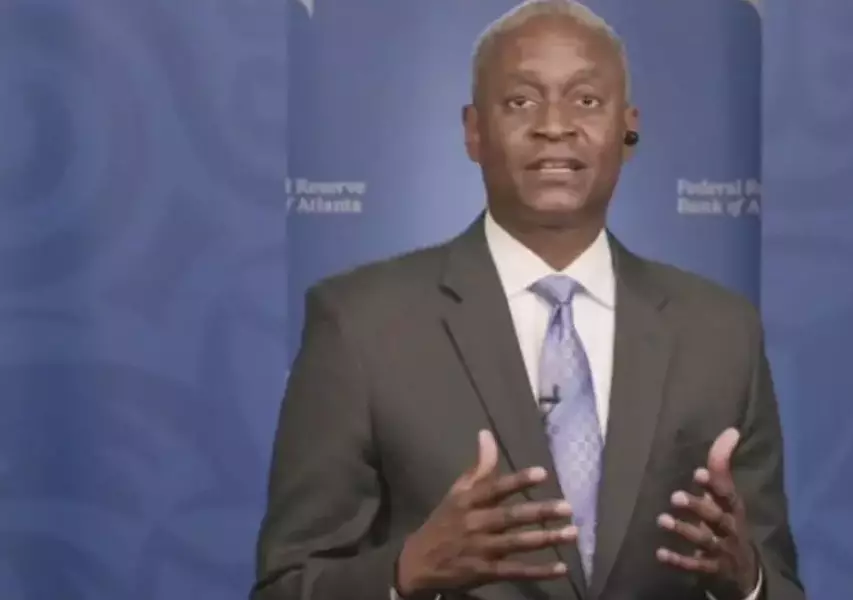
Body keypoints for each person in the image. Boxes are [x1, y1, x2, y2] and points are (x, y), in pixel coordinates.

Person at [251, 1, 804, 598]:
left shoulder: (722, 334)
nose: (554, 125)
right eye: (520, 101)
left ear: (629, 130)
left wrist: (747, 580)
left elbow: (778, 583)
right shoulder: (360, 326)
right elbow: (286, 586)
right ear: (473, 131)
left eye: (586, 100)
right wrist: (404, 572)